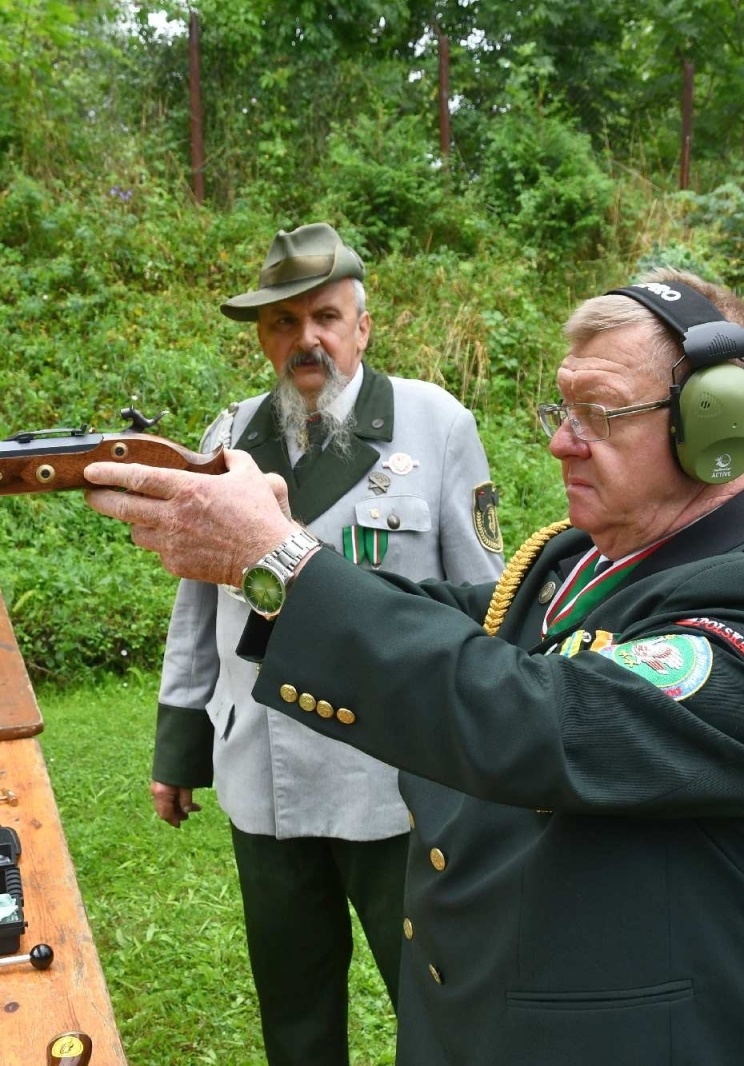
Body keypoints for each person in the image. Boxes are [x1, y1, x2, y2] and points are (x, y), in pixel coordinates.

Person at [89, 269, 744, 1065]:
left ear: (717, 428)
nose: (561, 439)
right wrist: (271, 551)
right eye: (563, 409)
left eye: (599, 413)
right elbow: (430, 618)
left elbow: (534, 716)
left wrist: (281, 563)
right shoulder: (582, 560)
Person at [152, 222, 504, 1066]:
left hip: (392, 773)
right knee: (295, 1004)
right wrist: (179, 742)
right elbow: (196, 601)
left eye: (326, 318)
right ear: (263, 338)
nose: (306, 339)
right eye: (284, 323)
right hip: (263, 776)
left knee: (433, 989)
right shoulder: (228, 436)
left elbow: (487, 599)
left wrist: (485, 740)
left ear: (362, 327)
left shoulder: (434, 423)